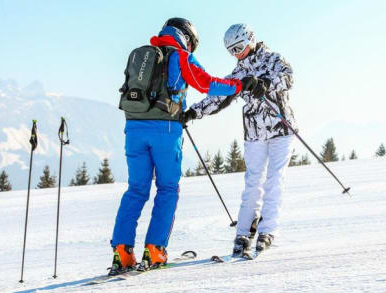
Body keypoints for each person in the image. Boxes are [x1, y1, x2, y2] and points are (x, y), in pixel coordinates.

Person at [109, 18, 258, 275]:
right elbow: (206, 83)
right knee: (167, 189)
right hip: (165, 131)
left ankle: (122, 253)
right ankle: (155, 250)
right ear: (187, 37)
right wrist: (239, 85)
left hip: (133, 129)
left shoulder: (141, 55)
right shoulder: (180, 56)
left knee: (136, 190)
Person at [184, 23, 296, 256]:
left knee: (274, 180)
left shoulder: (273, 59)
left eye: (240, 47)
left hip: (281, 129)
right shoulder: (238, 74)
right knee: (253, 182)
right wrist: (193, 112)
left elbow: (288, 78)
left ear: (251, 39)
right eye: (232, 51)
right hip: (254, 132)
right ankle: (244, 232)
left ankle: (267, 230)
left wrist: (265, 83)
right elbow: (219, 97)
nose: (238, 54)